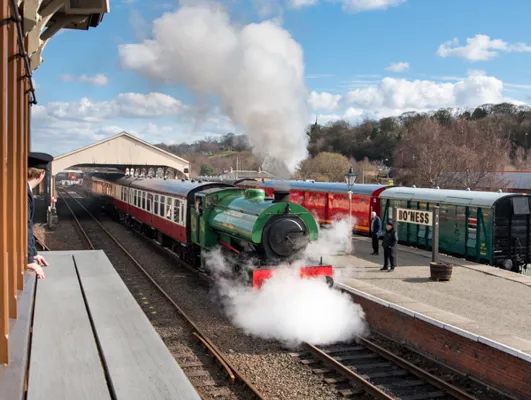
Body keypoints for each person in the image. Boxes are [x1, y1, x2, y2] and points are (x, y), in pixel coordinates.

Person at [27, 152, 54, 279]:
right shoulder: (24, 193)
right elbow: (24, 227)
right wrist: (29, 260)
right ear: (41, 174)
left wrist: (33, 253)